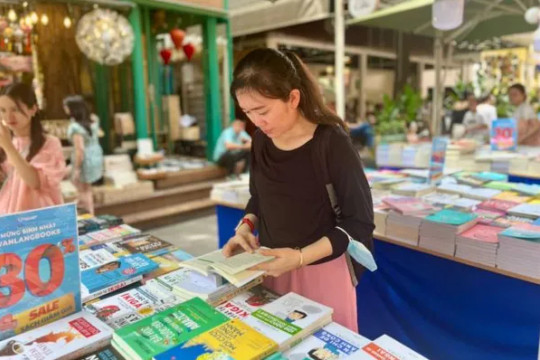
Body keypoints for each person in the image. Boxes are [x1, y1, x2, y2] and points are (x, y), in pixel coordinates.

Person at [222, 48, 374, 332]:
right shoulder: (261, 142)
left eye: (263, 111)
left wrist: (301, 258)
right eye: (248, 112)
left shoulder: (331, 142)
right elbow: (259, 197)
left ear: (293, 98)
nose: (256, 122)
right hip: (273, 269)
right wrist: (244, 227)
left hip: (321, 273)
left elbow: (359, 222)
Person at [0, 83, 65, 214]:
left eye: (15, 109)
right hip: (9, 217)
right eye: (3, 110)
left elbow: (36, 182)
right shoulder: (6, 141)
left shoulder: (50, 143)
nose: (8, 117)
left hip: (40, 221)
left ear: (33, 109)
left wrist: (8, 147)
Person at [63, 95, 103, 215]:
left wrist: (77, 168)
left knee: (82, 189)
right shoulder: (93, 121)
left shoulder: (75, 127)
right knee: (86, 189)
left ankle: (89, 214)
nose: (64, 109)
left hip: (85, 159)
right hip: (95, 156)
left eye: (66, 107)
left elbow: (79, 149)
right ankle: (81, 205)